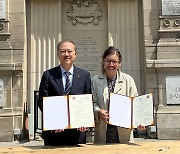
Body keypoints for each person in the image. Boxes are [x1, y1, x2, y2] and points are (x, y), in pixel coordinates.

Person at [38, 40, 92, 146]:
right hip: (54, 133)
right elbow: (41, 101)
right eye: (63, 51)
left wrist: (85, 121)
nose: (66, 54)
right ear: (58, 54)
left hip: (77, 133)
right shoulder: (48, 75)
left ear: (75, 54)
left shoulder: (85, 75)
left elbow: (88, 101)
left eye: (69, 51)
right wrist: (54, 121)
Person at [92, 46, 138, 144]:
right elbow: (93, 102)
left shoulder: (128, 80)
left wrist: (139, 122)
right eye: (108, 61)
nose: (111, 64)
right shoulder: (95, 80)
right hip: (103, 131)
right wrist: (98, 111)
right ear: (103, 62)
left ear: (119, 63)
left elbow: (135, 104)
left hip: (123, 130)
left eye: (114, 62)